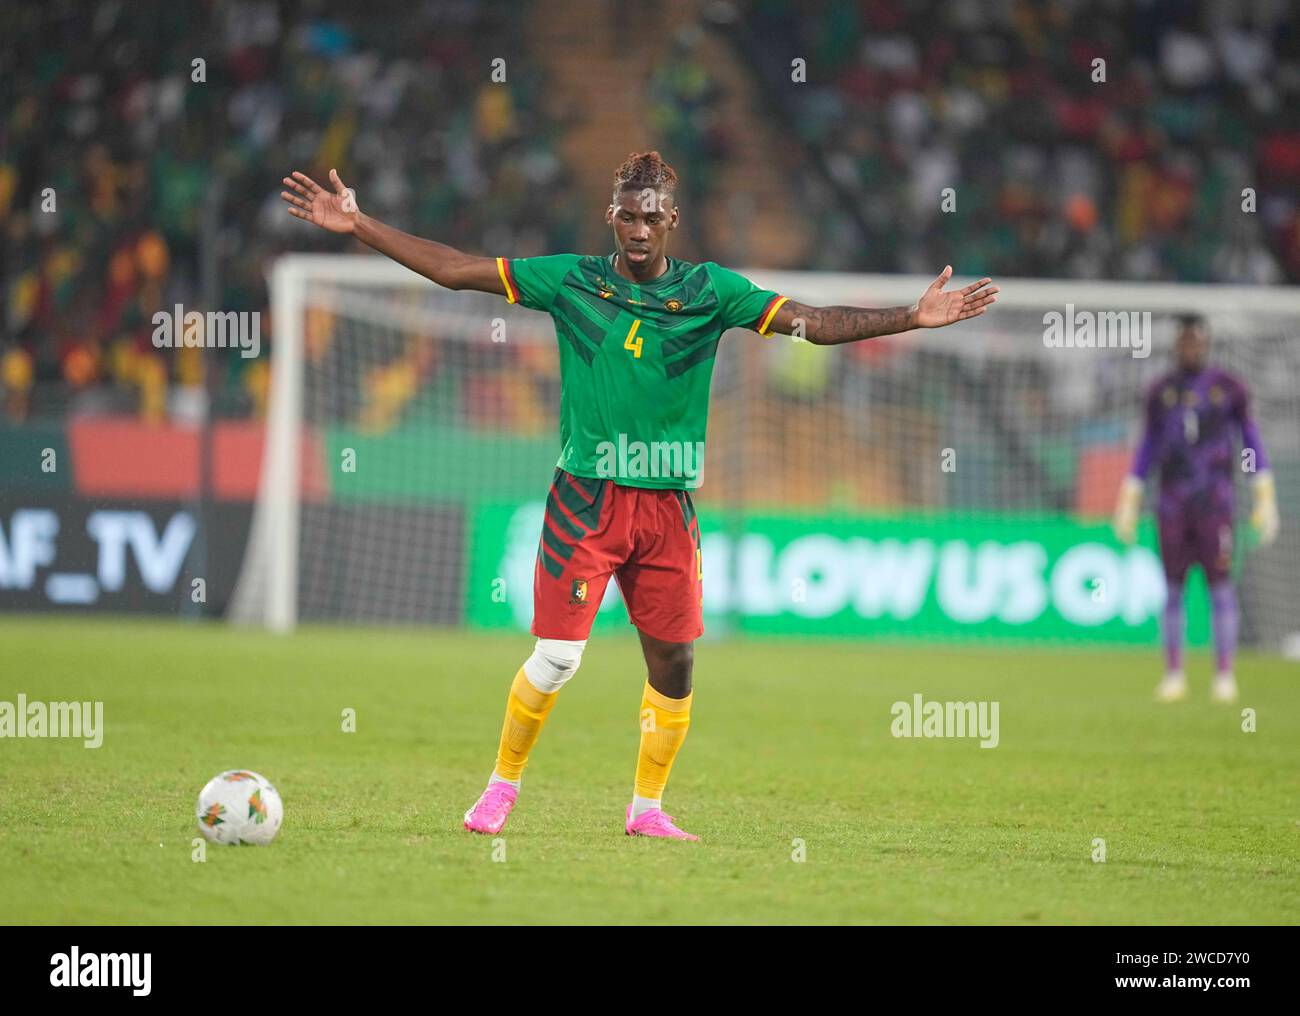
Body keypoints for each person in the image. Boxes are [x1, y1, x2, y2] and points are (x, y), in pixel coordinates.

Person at [280, 151, 998, 840]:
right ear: (612, 216)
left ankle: (647, 808)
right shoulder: (571, 281)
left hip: (667, 510)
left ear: (672, 221)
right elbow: (455, 270)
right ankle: (501, 786)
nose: (639, 230)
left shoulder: (712, 292)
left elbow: (811, 323)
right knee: (558, 658)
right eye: (628, 216)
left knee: (677, 665)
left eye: (652, 218)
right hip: (585, 501)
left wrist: (909, 317)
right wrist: (361, 224)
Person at [1113, 315, 1279, 703]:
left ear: (1205, 344)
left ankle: (1224, 675)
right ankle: (1174, 674)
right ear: (1177, 345)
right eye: (1184, 341)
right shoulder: (1160, 392)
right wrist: (1131, 494)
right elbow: (1149, 446)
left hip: (1216, 506)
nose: (1190, 348)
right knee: (1172, 589)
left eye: (1196, 341)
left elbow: (1248, 441)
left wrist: (1263, 489)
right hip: (1171, 507)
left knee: (1220, 587)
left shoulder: (1229, 389)